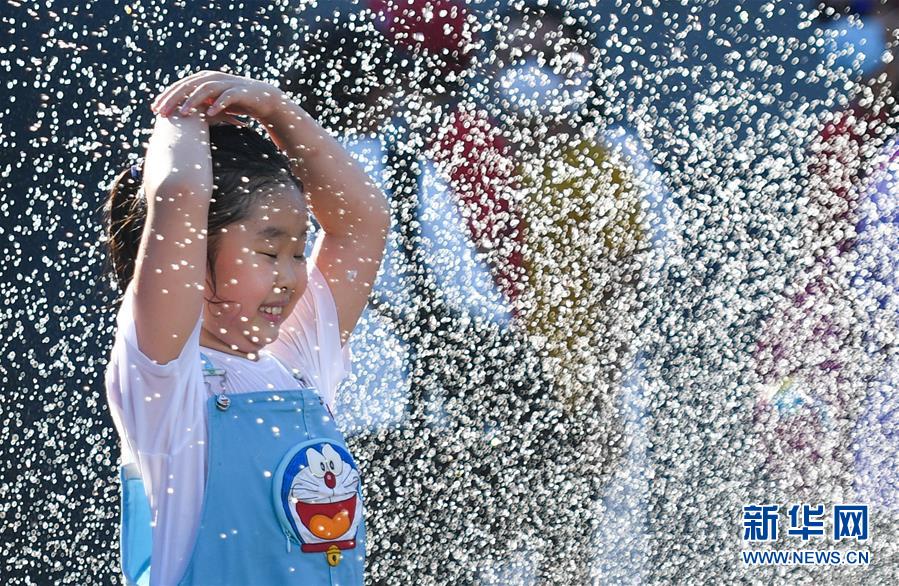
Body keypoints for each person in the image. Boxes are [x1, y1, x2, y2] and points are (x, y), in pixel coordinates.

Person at [102, 70, 390, 586]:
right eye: (269, 251)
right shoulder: (166, 382)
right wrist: (183, 115)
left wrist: (279, 111)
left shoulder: (296, 364)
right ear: (193, 255)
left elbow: (361, 220)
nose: (291, 277)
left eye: (298, 253)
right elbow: (180, 194)